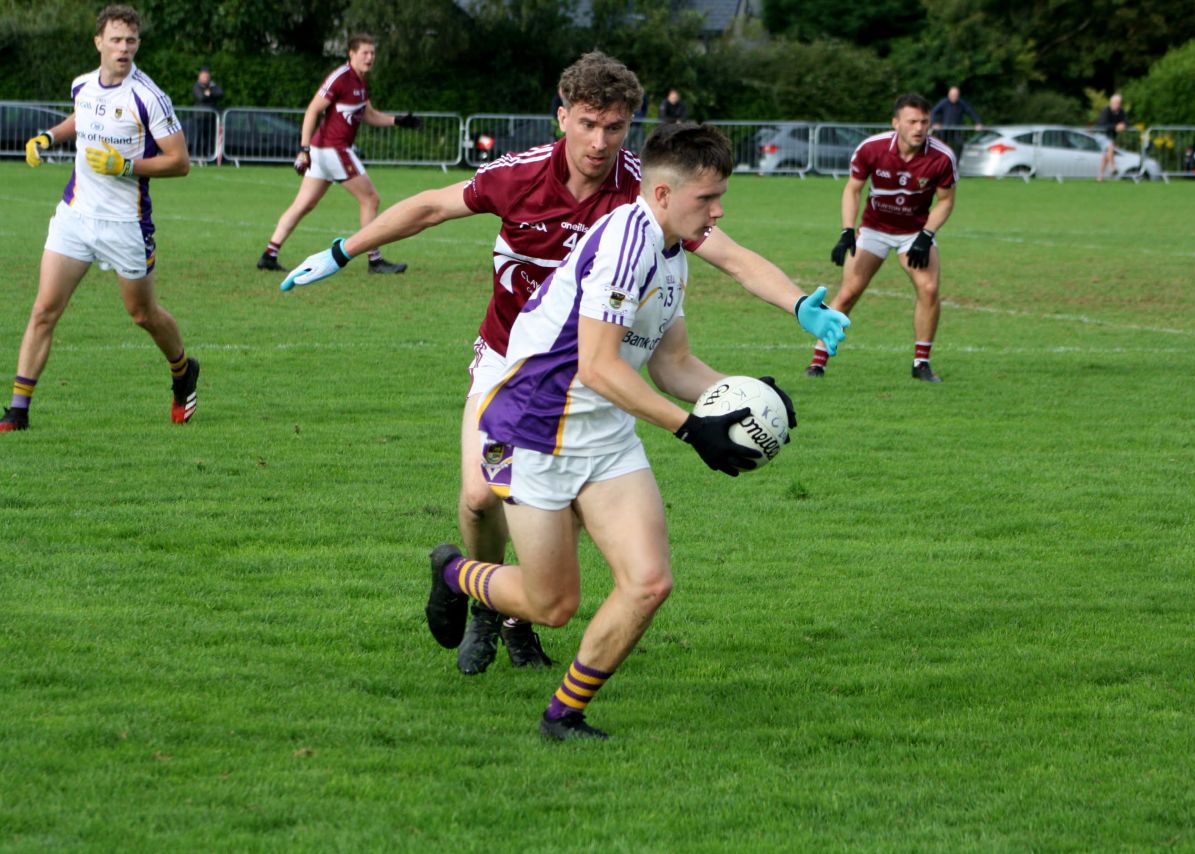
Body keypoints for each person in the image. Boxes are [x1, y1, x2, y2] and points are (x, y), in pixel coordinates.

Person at [277, 52, 848, 676]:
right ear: (562, 119)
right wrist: (342, 249)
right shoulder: (520, 175)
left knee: (567, 502)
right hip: (508, 363)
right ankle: (485, 602)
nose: (600, 142)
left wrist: (799, 305)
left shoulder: (648, 192)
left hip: (593, 374)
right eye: (587, 124)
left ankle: (519, 616)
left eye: (615, 127)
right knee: (477, 497)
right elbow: (431, 207)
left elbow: (731, 256)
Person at [426, 123, 797, 741]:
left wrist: (744, 400)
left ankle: (563, 716)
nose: (718, 210)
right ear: (660, 194)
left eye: (719, 196)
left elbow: (671, 362)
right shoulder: (628, 240)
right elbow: (596, 367)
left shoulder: (672, 252)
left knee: (649, 582)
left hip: (604, 430)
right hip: (536, 424)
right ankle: (451, 571)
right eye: (706, 199)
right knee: (552, 606)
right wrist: (690, 430)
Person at [3, 4, 198, 433]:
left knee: (142, 314)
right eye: (115, 40)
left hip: (125, 224)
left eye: (130, 41)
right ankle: (17, 411)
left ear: (137, 44)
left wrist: (125, 166)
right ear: (99, 43)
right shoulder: (82, 85)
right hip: (74, 215)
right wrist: (49, 136)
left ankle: (183, 371)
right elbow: (82, 117)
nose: (123, 48)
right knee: (43, 310)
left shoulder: (149, 97)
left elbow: (179, 162)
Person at [812, 93, 957, 383]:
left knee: (928, 289)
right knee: (849, 291)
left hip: (914, 232)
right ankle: (818, 360)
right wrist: (846, 231)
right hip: (874, 229)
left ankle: (921, 363)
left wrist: (926, 235)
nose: (919, 128)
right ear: (896, 123)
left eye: (924, 122)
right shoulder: (871, 148)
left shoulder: (941, 157)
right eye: (912, 121)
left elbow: (945, 200)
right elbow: (853, 189)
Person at [256, 33, 420, 274]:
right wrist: (303, 149)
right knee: (370, 199)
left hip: (325, 152)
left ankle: (269, 254)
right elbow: (312, 110)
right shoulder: (340, 78)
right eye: (365, 52)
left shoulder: (360, 82)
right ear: (351, 54)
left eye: (372, 53)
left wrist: (399, 121)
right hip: (333, 149)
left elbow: (369, 115)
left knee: (303, 204)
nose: (370, 57)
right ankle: (374, 259)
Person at [929, 86, 982, 155]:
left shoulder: (961, 103)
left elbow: (971, 112)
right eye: (952, 95)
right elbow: (933, 112)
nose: (953, 97)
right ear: (949, 95)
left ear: (958, 95)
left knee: (960, 144)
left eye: (955, 95)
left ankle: (956, 162)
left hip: (957, 131)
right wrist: (934, 123)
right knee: (941, 146)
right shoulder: (944, 102)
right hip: (944, 131)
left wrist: (978, 122)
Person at [191, 66, 223, 159]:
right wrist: (209, 95)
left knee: (210, 138)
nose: (206, 78)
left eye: (207, 76)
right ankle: (195, 156)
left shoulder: (212, 85)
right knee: (198, 137)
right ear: (199, 76)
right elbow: (201, 97)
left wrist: (210, 93)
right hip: (199, 116)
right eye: (204, 76)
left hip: (211, 116)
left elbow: (220, 93)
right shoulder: (196, 86)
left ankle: (208, 156)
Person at [1096, 93, 1127, 181]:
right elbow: (1103, 124)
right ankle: (1112, 167)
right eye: (1116, 103)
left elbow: (1126, 121)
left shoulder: (1121, 112)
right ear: (1111, 103)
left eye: (1119, 103)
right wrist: (1115, 127)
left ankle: (1100, 176)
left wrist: (1123, 125)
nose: (1117, 105)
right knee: (1110, 147)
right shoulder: (1106, 111)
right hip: (1101, 134)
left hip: (1110, 136)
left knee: (1106, 155)